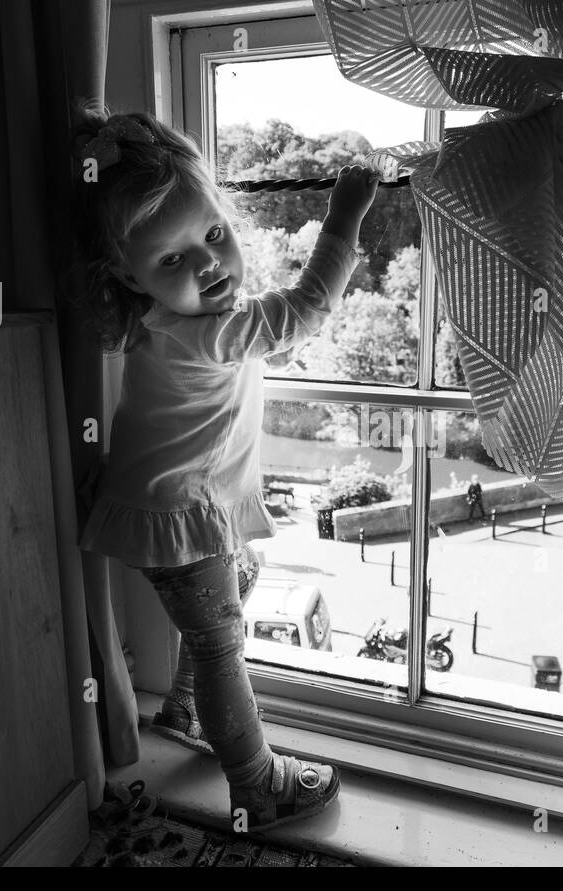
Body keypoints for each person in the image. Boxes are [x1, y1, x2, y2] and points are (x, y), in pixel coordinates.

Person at [70, 106, 379, 831]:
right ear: (127, 272)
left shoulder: (158, 320)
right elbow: (305, 310)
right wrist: (344, 219)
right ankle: (257, 781)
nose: (209, 264)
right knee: (222, 648)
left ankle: (183, 709)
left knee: (239, 580)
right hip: (182, 511)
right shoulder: (216, 334)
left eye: (213, 235)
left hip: (159, 497)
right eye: (172, 260)